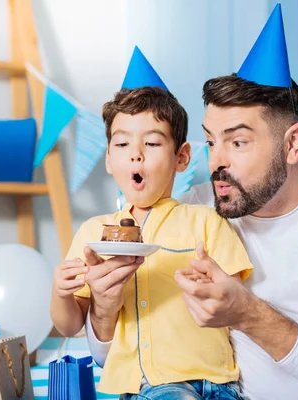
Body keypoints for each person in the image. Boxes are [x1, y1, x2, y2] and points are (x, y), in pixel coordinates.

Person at [83, 4, 298, 400]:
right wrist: (103, 305)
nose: (216, 160)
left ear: (292, 144)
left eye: (237, 142)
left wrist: (247, 314)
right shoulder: (191, 211)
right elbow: (111, 356)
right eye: (211, 141)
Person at [50, 46, 254, 399]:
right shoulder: (92, 236)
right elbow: (69, 324)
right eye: (122, 142)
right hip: (148, 388)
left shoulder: (208, 222)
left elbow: (235, 304)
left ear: (182, 157)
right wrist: (60, 291)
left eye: (153, 142)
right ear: (109, 160)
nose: (136, 153)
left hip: (218, 383)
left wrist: (208, 286)